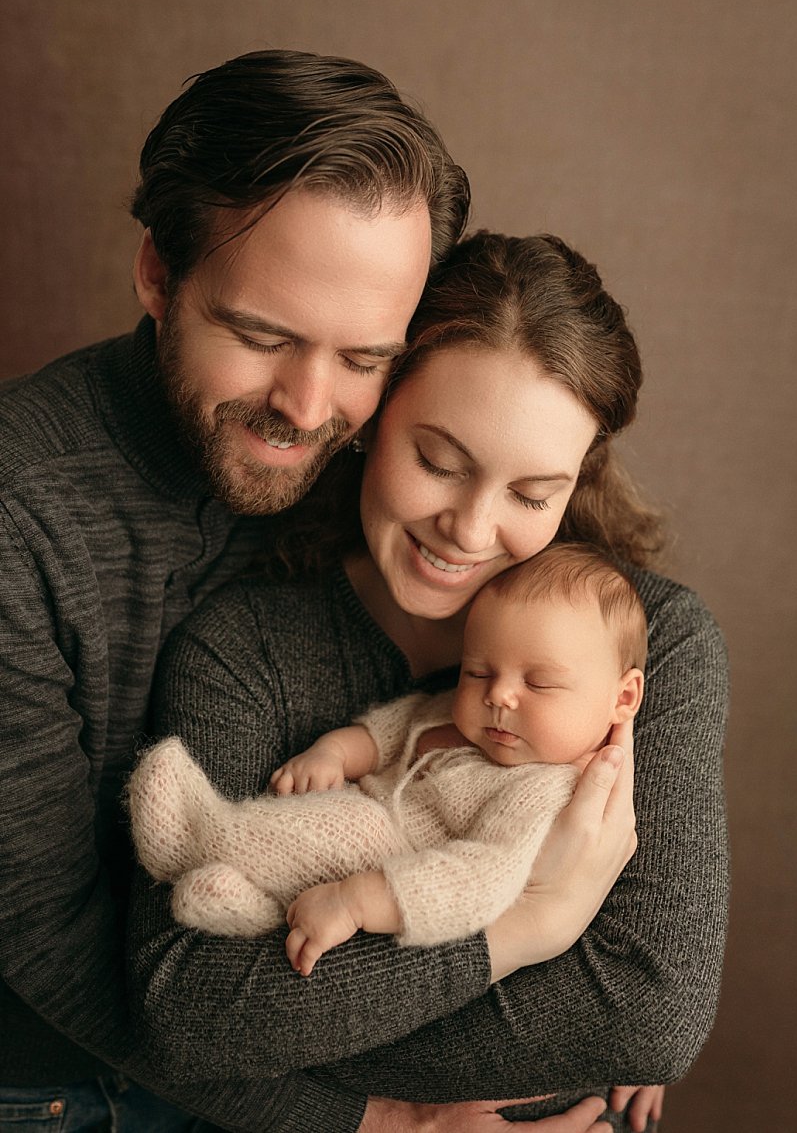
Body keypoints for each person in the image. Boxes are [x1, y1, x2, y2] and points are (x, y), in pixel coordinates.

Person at [127, 231, 729, 1133]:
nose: (469, 529)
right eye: (438, 462)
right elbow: (184, 1012)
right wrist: (534, 927)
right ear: (371, 412)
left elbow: (649, 1013)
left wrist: (285, 1036)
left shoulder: (652, 644)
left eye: (532, 494)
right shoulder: (243, 651)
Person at [127, 542, 647, 977]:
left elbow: (481, 877)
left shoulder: (547, 790)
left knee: (332, 826)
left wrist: (357, 901)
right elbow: (381, 735)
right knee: (314, 825)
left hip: (394, 861)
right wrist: (331, 752)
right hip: (358, 831)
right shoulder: (453, 716)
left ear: (623, 697)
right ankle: (247, 904)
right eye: (479, 673)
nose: (499, 696)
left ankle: (204, 834)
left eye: (539, 683)